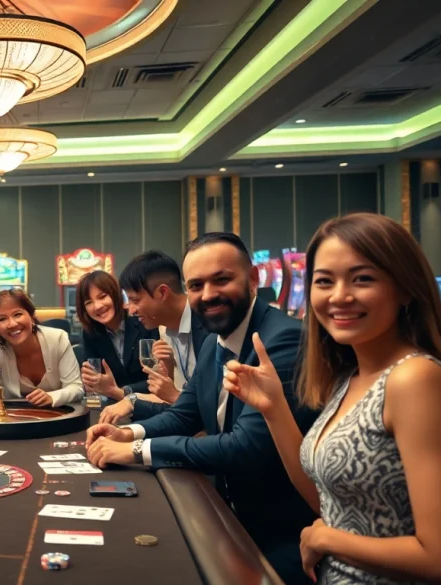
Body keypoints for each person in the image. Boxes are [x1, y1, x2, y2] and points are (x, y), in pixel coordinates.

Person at [224, 213, 441, 584]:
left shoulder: (415, 378)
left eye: (362, 279)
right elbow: (330, 502)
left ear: (405, 288)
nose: (340, 296)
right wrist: (273, 408)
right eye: (324, 281)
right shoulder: (350, 377)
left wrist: (327, 538)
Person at [84, 232, 318, 585]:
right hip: (229, 508)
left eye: (222, 279)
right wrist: (128, 431)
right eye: (196, 285)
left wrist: (133, 450)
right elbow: (185, 414)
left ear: (253, 279)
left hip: (282, 532)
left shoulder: (281, 339)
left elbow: (245, 446)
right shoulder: (216, 340)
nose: (207, 295)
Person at [99, 251, 210, 424]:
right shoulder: (164, 330)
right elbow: (174, 398)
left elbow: (213, 407)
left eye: (135, 300)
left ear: (163, 293)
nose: (131, 310)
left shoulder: (209, 325)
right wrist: (131, 399)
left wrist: (170, 395)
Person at [0, 289, 83, 407]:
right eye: (2, 319)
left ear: (32, 317)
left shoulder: (58, 339)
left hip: (61, 418)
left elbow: (76, 388)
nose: (12, 324)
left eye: (17, 314)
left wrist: (52, 397)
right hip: (17, 420)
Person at [75, 271, 157, 405]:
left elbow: (158, 377)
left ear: (116, 294)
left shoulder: (143, 321)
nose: (97, 306)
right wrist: (91, 383)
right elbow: (94, 383)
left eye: (102, 297)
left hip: (151, 403)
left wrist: (122, 391)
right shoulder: (91, 333)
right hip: (113, 407)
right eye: (89, 302)